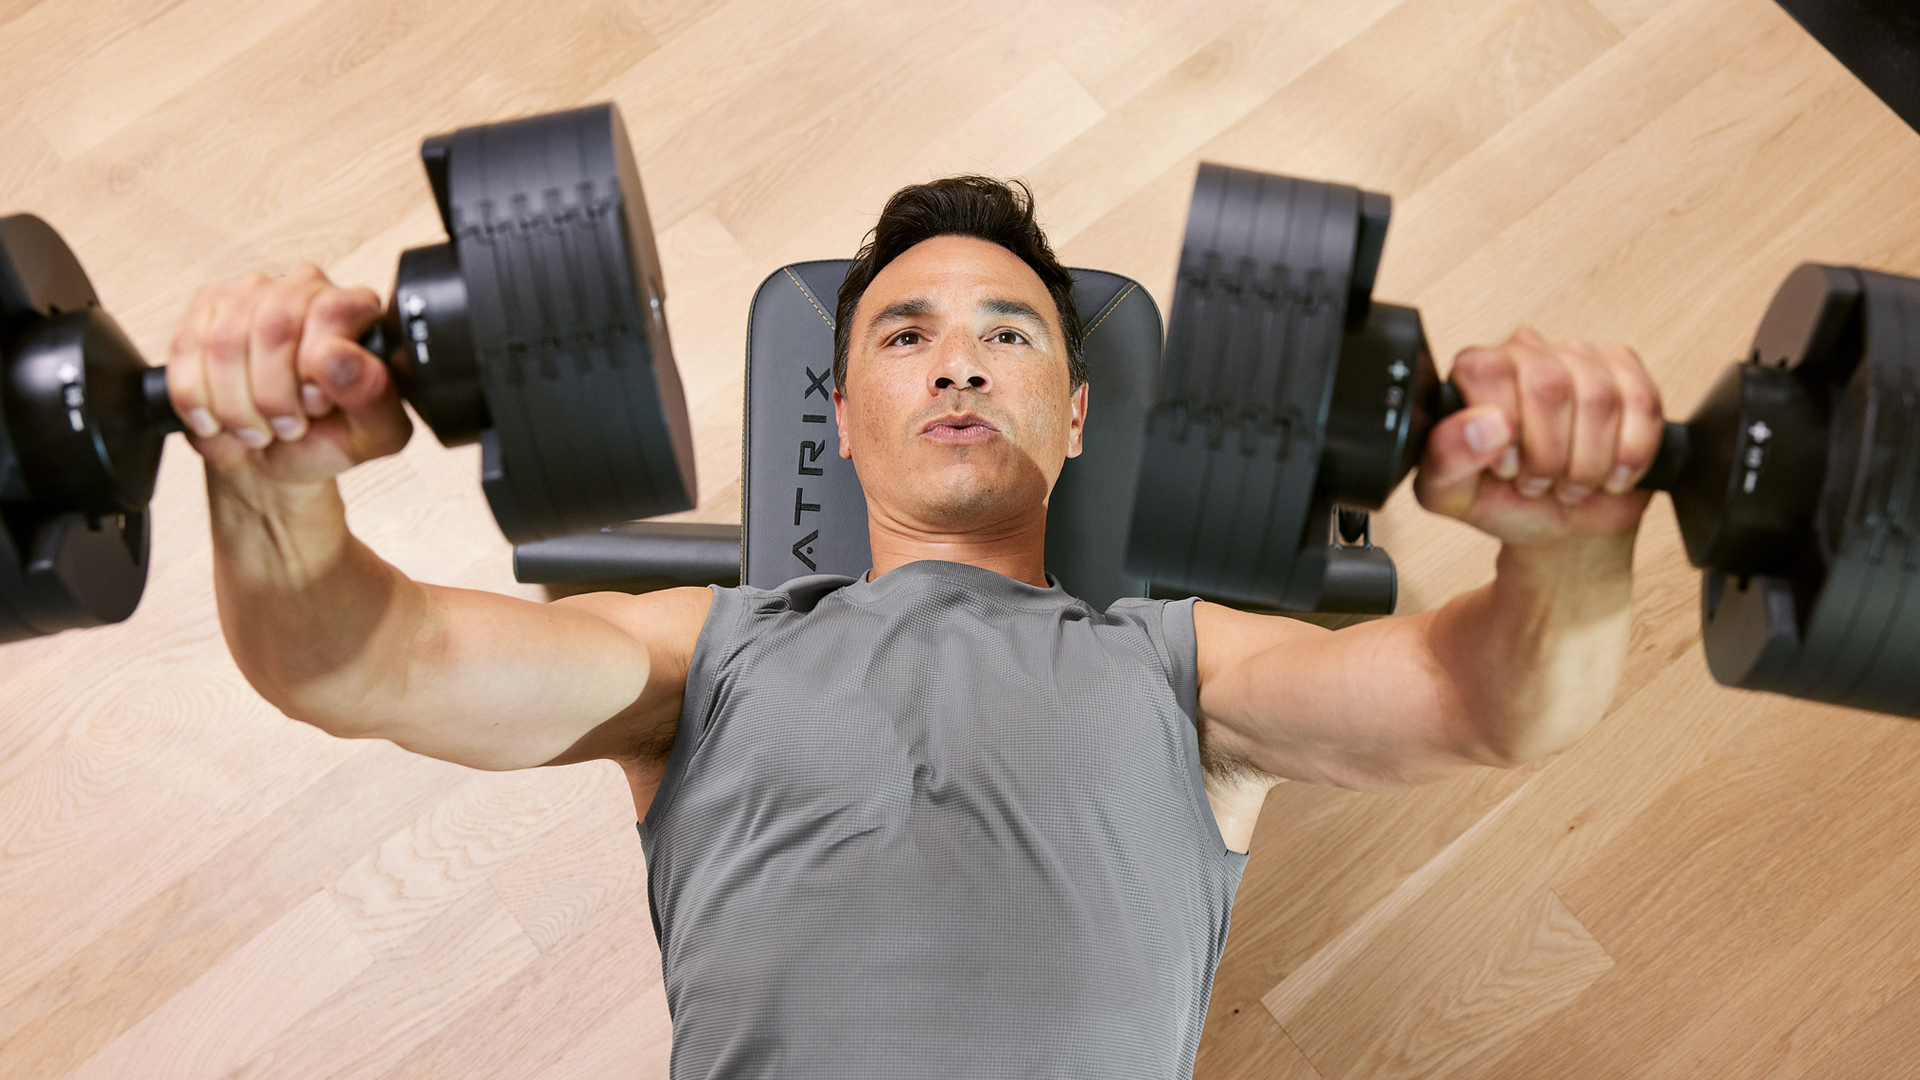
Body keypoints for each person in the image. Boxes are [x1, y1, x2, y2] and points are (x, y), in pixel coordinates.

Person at [165, 176, 1662, 1079]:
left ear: (1077, 417)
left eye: (1009, 333)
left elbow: (1493, 701)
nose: (960, 365)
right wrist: (266, 481)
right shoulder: (700, 658)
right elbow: (360, 661)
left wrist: (1572, 546)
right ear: (837, 418)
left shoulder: (1188, 669)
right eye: (907, 334)